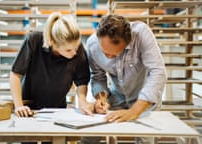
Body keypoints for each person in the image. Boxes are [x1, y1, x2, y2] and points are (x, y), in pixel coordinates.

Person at [81, 14, 167, 144]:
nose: (108, 57)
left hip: (143, 100)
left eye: (113, 54)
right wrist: (101, 98)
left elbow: (158, 72)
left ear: (127, 42)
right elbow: (98, 76)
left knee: (145, 140)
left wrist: (134, 111)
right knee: (90, 134)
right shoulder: (92, 44)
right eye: (105, 53)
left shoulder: (141, 34)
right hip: (117, 96)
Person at [9, 12, 93, 144]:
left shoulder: (77, 49)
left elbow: (81, 81)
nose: (75, 53)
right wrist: (18, 106)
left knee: (56, 140)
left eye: (76, 48)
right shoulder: (34, 40)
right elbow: (15, 74)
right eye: (68, 50)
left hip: (57, 109)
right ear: (53, 42)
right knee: (28, 140)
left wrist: (82, 101)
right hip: (29, 109)